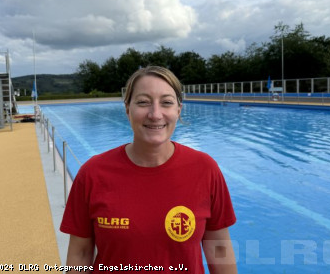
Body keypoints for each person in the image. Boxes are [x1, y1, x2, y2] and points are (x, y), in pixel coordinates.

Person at [60, 66, 237, 273]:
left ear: (178, 110)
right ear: (127, 109)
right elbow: (80, 253)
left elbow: (219, 251)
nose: (155, 114)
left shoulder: (205, 169)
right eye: (143, 102)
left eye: (166, 102)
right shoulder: (92, 174)